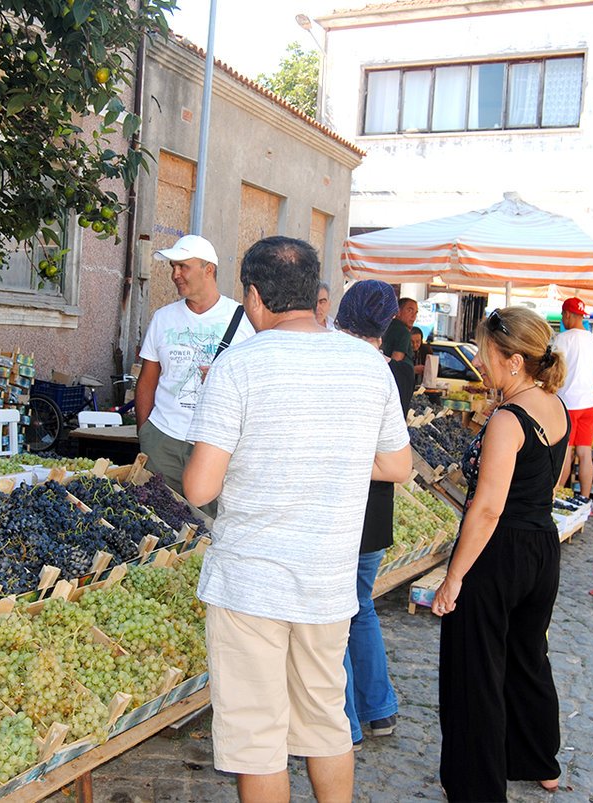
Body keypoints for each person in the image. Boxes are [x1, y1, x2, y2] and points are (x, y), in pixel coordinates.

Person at [183, 237, 412, 803]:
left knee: (257, 738)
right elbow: (396, 465)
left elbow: (200, 486)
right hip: (329, 583)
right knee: (326, 724)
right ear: (315, 296)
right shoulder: (368, 364)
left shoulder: (237, 366)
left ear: (254, 298)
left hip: (250, 585)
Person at [432, 306, 569, 801]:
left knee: (476, 669)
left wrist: (453, 579)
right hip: (541, 545)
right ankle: (540, 761)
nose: (478, 362)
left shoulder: (510, 419)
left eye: (484, 352)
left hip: (499, 551)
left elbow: (487, 509)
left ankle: (477, 787)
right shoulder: (555, 406)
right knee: (529, 657)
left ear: (512, 360)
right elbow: (553, 479)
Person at [333, 280, 411, 749]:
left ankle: (345, 723)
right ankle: (379, 708)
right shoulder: (397, 373)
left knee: (335, 617)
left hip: (339, 507)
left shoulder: (336, 361)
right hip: (377, 507)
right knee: (362, 609)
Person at [136, 234, 254, 505]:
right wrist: (146, 434)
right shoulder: (163, 318)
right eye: (172, 267)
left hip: (217, 446)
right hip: (163, 440)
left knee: (211, 527)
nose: (175, 274)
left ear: (208, 270)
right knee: (158, 519)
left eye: (183, 266)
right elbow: (147, 381)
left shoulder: (243, 320)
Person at [552, 297, 593, 503]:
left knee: (565, 452)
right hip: (589, 404)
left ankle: (556, 495)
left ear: (567, 314)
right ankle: (584, 499)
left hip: (568, 403)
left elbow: (554, 372)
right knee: (584, 453)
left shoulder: (562, 340)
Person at [380, 297, 418, 367]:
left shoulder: (385, 326)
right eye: (410, 311)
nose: (414, 316)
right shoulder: (403, 332)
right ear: (398, 311)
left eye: (415, 313)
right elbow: (396, 362)